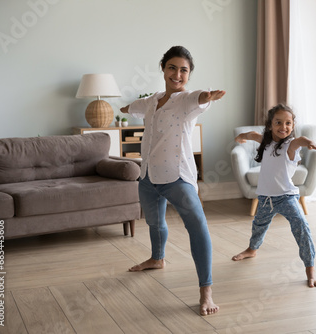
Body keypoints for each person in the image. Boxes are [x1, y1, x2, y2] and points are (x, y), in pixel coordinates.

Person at [120, 46, 225, 316]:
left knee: (197, 225)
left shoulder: (187, 100)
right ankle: (157, 259)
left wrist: (208, 95)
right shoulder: (152, 100)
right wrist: (124, 107)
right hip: (147, 176)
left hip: (177, 177)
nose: (177, 74)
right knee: (155, 222)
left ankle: (206, 290)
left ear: (189, 75)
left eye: (184, 70)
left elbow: (200, 98)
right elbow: (132, 108)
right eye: (172, 68)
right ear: (163, 68)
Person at [231, 103, 316, 288]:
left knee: (301, 227)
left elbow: (302, 140)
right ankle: (252, 249)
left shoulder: (290, 145)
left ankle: (310, 270)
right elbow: (252, 135)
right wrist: (242, 136)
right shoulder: (266, 142)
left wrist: (310, 143)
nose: (284, 127)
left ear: (292, 126)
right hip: (265, 198)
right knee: (258, 226)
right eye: (279, 122)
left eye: (288, 123)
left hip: (286, 197)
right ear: (270, 125)